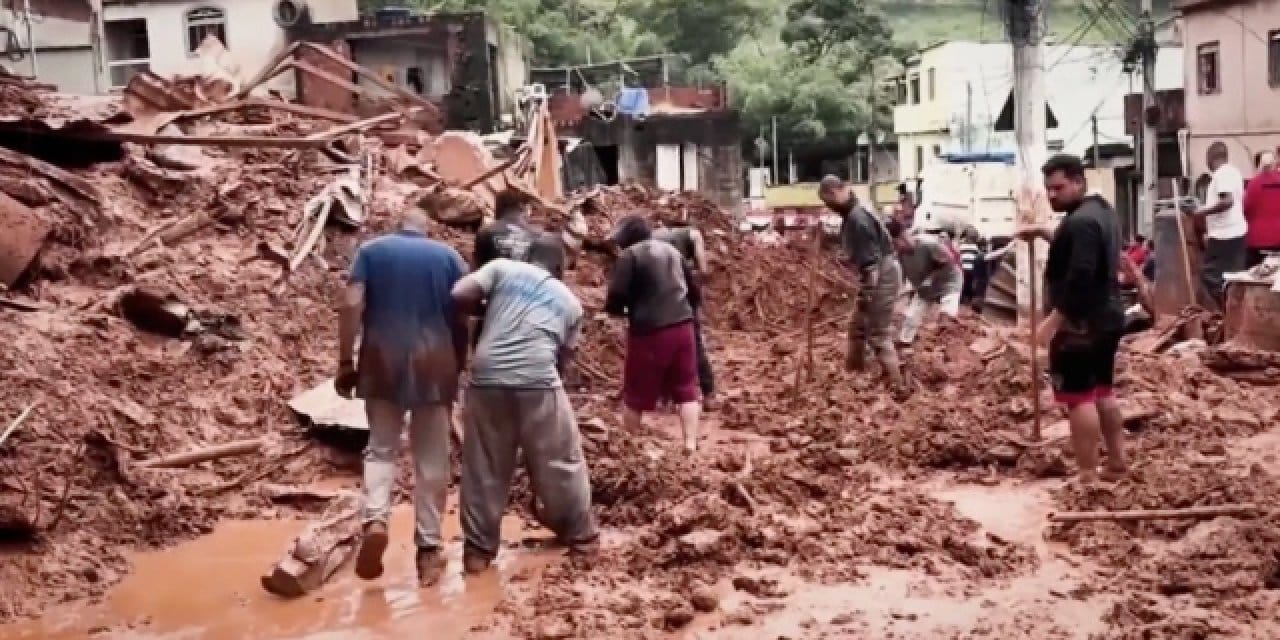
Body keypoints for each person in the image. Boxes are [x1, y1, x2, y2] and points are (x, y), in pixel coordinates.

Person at [336, 209, 469, 587]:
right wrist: (458, 361)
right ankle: (428, 549)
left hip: (381, 359)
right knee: (432, 458)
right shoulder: (449, 258)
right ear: (425, 231)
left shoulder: (371, 251)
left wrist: (346, 361)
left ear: (397, 228)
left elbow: (350, 303)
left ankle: (376, 519)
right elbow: (464, 315)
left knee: (380, 449)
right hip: (436, 361)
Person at [451, 237, 598, 574]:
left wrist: (488, 310)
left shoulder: (503, 268)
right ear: (561, 269)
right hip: (539, 379)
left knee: (484, 468)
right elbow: (564, 360)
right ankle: (581, 538)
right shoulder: (571, 303)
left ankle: (477, 553)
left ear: (527, 257)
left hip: (487, 379)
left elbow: (459, 294)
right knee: (561, 459)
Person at [1016, 154, 1127, 485]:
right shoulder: (1101, 212)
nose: (1052, 195)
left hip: (1081, 324)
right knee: (1103, 391)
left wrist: (1055, 319)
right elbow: (1081, 249)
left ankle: (1087, 475)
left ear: (1079, 181)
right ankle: (1117, 464)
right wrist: (1042, 231)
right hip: (1107, 316)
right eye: (1048, 189)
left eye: (1059, 188)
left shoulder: (1079, 223)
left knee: (1080, 399)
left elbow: (1081, 272)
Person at [605, 215, 702, 453]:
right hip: (683, 326)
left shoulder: (630, 256)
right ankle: (690, 443)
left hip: (649, 332)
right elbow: (694, 291)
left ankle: (630, 446)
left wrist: (619, 311)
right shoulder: (673, 252)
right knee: (686, 388)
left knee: (635, 392)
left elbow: (616, 294)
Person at [817, 175, 904, 391]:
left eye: (828, 202)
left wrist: (866, 295)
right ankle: (854, 377)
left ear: (834, 193)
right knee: (857, 328)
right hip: (879, 270)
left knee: (877, 332)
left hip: (881, 273)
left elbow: (871, 264)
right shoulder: (853, 213)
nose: (829, 207)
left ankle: (897, 385)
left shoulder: (858, 218)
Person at [652, 223, 716, 405]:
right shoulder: (694, 234)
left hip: (657, 296)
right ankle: (708, 391)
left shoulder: (653, 237)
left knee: (660, 342)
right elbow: (703, 270)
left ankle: (665, 396)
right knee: (693, 342)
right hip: (682, 296)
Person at [1184, 142, 1247, 306]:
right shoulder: (1234, 173)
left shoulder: (1222, 174)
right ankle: (1230, 315)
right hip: (1234, 233)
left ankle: (1224, 314)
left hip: (1225, 236)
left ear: (1210, 158)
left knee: (1210, 277)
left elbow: (1227, 201)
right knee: (1231, 278)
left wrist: (1200, 212)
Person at [888, 218, 964, 345]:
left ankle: (946, 348)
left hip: (948, 283)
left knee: (946, 317)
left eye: (896, 244)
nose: (896, 248)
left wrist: (929, 278)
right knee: (911, 317)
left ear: (904, 237)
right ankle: (905, 342)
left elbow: (948, 262)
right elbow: (903, 275)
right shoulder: (900, 254)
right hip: (924, 288)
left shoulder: (928, 244)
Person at [1243, 149, 1280, 268]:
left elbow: (1246, 209)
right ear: (1275, 164)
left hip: (1257, 240)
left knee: (1254, 275)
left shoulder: (1253, 184)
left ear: (1259, 165)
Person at [957, 231, 982, 304]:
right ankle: (968, 298)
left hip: (963, 268)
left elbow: (959, 255)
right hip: (971, 268)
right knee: (969, 283)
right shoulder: (975, 247)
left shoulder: (961, 246)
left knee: (962, 283)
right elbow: (978, 256)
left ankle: (961, 298)